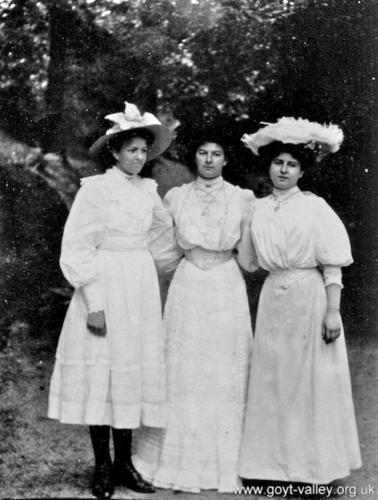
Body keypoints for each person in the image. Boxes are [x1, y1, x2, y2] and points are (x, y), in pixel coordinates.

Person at [48, 102, 176, 499]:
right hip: (105, 282)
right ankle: (102, 467)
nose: (138, 157)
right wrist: (95, 302)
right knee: (103, 374)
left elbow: (162, 237)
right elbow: (77, 247)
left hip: (138, 284)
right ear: (116, 152)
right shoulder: (97, 190)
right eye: (131, 150)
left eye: (143, 150)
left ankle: (125, 465)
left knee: (129, 373)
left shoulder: (149, 191)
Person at [237, 117, 362, 488]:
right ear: (269, 166)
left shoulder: (314, 207)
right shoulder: (256, 209)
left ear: (302, 171)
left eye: (292, 164)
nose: (284, 170)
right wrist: (246, 226)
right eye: (278, 163)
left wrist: (333, 310)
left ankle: (311, 470)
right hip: (275, 299)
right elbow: (249, 262)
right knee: (274, 380)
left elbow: (333, 262)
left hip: (309, 296)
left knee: (308, 382)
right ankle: (271, 469)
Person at [134, 126, 255, 493]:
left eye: (216, 154)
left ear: (226, 159)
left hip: (225, 284)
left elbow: (250, 255)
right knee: (184, 368)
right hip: (189, 283)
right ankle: (174, 460)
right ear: (194, 158)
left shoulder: (243, 198)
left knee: (223, 368)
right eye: (203, 153)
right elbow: (163, 247)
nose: (209, 160)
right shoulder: (175, 197)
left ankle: (228, 462)